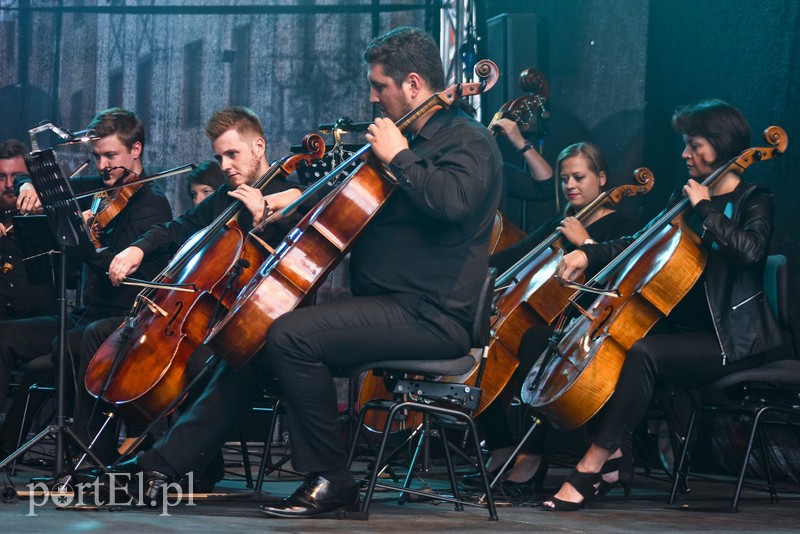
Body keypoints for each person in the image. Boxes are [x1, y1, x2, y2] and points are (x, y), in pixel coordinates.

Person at [104, 26, 503, 519]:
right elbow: (343, 202)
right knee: (253, 339)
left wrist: (398, 155)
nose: (373, 97)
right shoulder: (406, 141)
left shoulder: (468, 140)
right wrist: (287, 203)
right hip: (387, 306)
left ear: (414, 84)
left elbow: (453, 203)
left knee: (292, 336)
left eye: (379, 86)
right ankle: (160, 468)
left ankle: (331, 477)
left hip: (431, 314)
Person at [544, 99, 781, 511]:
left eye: (694, 145)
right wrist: (588, 253)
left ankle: (593, 465)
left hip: (731, 341)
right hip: (681, 332)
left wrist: (705, 208)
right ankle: (616, 459)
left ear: (721, 145)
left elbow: (750, 251)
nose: (685, 154)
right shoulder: (681, 197)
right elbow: (637, 244)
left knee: (644, 353)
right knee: (606, 351)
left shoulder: (754, 198)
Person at [72, 106, 305, 473]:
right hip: (200, 315)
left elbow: (303, 230)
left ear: (259, 147)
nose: (225, 165)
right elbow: (177, 228)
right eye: (220, 157)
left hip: (248, 326)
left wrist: (268, 214)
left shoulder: (290, 194)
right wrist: (138, 249)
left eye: (233, 154)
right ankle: (94, 457)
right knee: (99, 335)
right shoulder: (226, 197)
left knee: (197, 362)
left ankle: (200, 466)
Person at [0, 109, 174, 461]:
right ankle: (5, 446)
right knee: (6, 335)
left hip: (123, 320)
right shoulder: (98, 188)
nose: (102, 165)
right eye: (96, 157)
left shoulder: (152, 205)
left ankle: (90, 454)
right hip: (85, 314)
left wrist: (82, 238)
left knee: (71, 343)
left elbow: (114, 270)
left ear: (135, 149)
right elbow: (40, 183)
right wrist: (27, 185)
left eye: (110, 155)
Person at [465, 142, 639, 493]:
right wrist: (461, 268)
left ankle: (531, 457)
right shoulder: (558, 225)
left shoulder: (624, 225)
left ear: (602, 178)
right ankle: (501, 447)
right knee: (481, 347)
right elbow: (510, 258)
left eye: (579, 177)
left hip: (595, 331)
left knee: (536, 343)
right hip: (559, 325)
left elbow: (623, 283)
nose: (569, 185)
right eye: (564, 179)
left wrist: (586, 243)